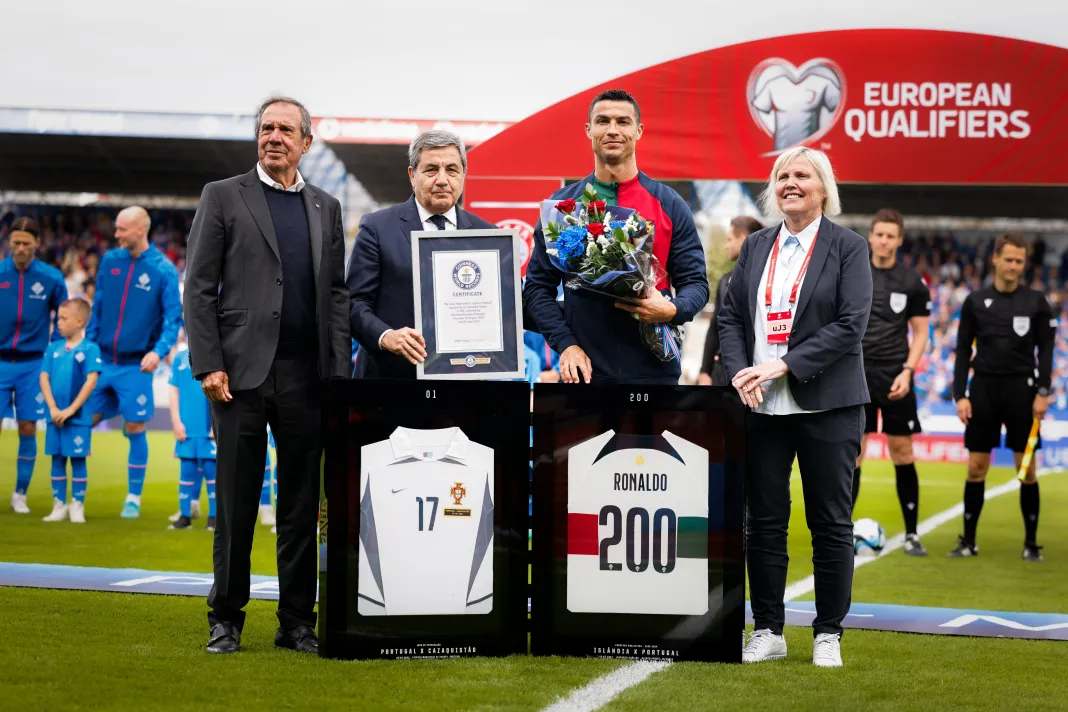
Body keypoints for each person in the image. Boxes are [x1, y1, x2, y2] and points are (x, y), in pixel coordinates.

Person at [184, 96, 350, 655]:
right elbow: (199, 285)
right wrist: (208, 362)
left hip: (308, 378)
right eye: (266, 128)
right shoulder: (223, 196)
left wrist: (338, 373)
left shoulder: (326, 207)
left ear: (307, 141)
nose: (274, 136)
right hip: (240, 377)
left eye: (285, 129)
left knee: (301, 507)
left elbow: (336, 296)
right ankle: (225, 618)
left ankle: (296, 621)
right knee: (235, 503)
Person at [718, 147, 872, 668]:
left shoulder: (849, 246)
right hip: (761, 406)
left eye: (801, 175)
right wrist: (741, 369)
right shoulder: (757, 244)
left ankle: (828, 631)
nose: (790, 182)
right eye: (782, 175)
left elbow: (851, 325)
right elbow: (732, 317)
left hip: (827, 403)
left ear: (823, 187)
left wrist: (782, 365)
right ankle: (768, 628)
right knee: (762, 522)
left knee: (830, 522)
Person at [524, 89, 709, 384]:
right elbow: (536, 289)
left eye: (623, 122)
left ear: (638, 131)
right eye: (603, 121)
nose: (612, 130)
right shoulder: (563, 208)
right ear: (589, 130)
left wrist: (672, 309)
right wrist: (566, 345)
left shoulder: (670, 203)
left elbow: (696, 284)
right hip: (583, 374)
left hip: (654, 373)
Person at [346, 130, 496, 378]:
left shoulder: (487, 234)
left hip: (462, 382)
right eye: (430, 170)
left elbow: (507, 306)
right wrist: (386, 336)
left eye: (451, 169)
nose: (442, 179)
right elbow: (353, 302)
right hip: (391, 382)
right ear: (412, 175)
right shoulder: (377, 228)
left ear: (463, 175)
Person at [950, 233, 1053, 562]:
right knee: (976, 467)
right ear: (995, 258)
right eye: (1008, 259)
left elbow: (1047, 350)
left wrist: (1044, 390)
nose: (1013, 266)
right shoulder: (976, 301)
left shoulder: (1036, 302)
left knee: (1027, 469)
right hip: (983, 390)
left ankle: (1031, 544)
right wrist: (959, 394)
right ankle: (968, 541)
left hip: (1022, 391)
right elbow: (963, 349)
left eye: (1019, 261)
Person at [87, 205, 183, 518]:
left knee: (136, 425)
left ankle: (133, 498)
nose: (115, 235)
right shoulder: (110, 261)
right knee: (82, 419)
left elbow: (173, 318)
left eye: (121, 229)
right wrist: (87, 348)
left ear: (140, 230)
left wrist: (158, 351)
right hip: (102, 361)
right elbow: (98, 306)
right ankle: (72, 499)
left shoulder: (163, 269)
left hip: (137, 364)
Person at [854, 208, 930, 555]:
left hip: (895, 376)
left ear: (899, 240)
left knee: (902, 451)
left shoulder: (912, 281)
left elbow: (920, 332)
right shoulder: (852, 272)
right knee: (853, 454)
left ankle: (912, 534)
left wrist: (908, 370)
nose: (884, 241)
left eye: (890, 236)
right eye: (879, 234)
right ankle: (841, 533)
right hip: (856, 377)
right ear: (871, 236)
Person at [1, 217, 68, 514]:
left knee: (27, 427)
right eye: (15, 242)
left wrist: (54, 350)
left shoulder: (51, 277)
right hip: (0, 361)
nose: (20, 248)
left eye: (26, 243)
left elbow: (63, 316)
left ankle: (20, 494)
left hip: (32, 365)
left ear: (37, 244)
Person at [39, 298, 101, 523]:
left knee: (77, 460)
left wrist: (71, 410)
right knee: (56, 459)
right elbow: (44, 377)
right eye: (57, 318)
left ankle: (77, 505)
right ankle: (58, 505)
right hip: (54, 416)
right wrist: (54, 408)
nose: (58, 323)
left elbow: (91, 381)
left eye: (64, 319)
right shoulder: (53, 348)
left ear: (79, 321)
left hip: (79, 418)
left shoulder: (90, 349)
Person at [699, 216, 764, 386]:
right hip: (723, 371)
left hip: (757, 371)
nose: (726, 245)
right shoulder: (726, 281)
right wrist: (705, 371)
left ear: (742, 238)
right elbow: (716, 326)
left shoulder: (768, 280)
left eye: (729, 239)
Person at [167, 343, 217, 531]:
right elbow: (174, 389)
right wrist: (175, 421)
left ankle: (214, 518)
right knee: (186, 471)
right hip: (187, 428)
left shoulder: (215, 353)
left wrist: (216, 423)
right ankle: (184, 516)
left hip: (208, 429)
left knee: (212, 471)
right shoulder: (179, 357)